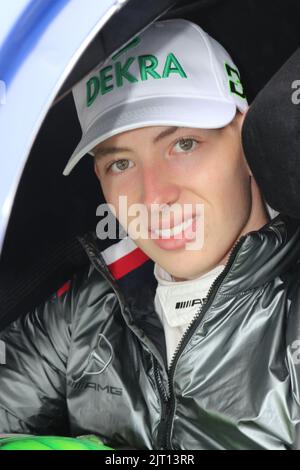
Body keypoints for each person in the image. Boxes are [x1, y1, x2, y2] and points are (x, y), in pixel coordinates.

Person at [0, 18, 300, 450]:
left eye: (184, 144)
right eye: (121, 163)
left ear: (246, 136)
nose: (153, 197)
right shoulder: (93, 300)